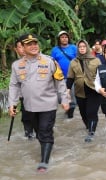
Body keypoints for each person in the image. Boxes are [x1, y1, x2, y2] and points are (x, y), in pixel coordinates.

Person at [8, 33, 70, 172]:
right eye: (29, 44)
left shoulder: (49, 61)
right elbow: (14, 85)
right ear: (23, 47)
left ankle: (44, 162)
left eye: (35, 43)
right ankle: (46, 148)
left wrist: (65, 99)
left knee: (45, 131)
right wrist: (12, 104)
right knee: (38, 133)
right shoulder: (17, 65)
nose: (34, 46)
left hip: (48, 105)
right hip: (29, 107)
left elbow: (60, 82)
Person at [66, 39, 101, 143]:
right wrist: (67, 90)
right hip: (80, 91)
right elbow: (70, 78)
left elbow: (101, 76)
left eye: (83, 47)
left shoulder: (95, 60)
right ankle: (88, 126)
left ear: (87, 48)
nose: (82, 49)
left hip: (93, 90)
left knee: (91, 112)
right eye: (80, 47)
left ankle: (91, 132)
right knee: (83, 113)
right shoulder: (73, 62)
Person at [51, 31, 77, 118]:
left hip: (72, 77)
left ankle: (71, 113)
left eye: (66, 37)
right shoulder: (55, 50)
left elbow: (78, 60)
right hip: (60, 77)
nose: (64, 38)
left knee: (72, 95)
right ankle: (66, 107)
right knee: (60, 96)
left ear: (68, 38)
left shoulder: (73, 48)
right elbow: (52, 62)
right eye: (62, 37)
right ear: (59, 39)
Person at [13, 38, 35, 139]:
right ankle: (28, 132)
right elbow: (14, 84)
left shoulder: (36, 60)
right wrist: (13, 102)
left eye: (23, 46)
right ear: (16, 49)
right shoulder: (16, 65)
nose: (22, 49)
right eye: (20, 47)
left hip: (37, 93)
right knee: (26, 114)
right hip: (24, 95)